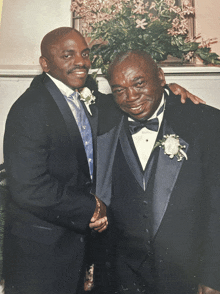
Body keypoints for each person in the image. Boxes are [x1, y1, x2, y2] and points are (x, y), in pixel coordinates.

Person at [2, 26, 202, 294]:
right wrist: (90, 208)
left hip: (74, 246)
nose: (81, 62)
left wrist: (171, 93)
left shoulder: (89, 96)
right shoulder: (29, 109)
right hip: (40, 251)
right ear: (45, 63)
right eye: (68, 55)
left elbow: (133, 99)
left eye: (84, 53)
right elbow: (27, 187)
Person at [95, 50, 220, 294]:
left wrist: (213, 276)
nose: (130, 96)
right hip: (119, 276)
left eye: (139, 83)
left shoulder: (206, 122)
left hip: (185, 275)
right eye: (119, 89)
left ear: (161, 77)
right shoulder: (104, 118)